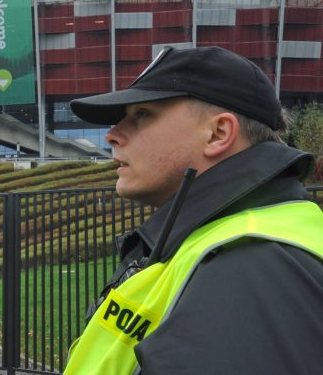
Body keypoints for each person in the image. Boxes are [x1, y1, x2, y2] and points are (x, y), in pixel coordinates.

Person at [63, 47, 323, 374]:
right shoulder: (218, 240)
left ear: (217, 134)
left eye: (141, 114)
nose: (112, 135)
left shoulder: (253, 262)